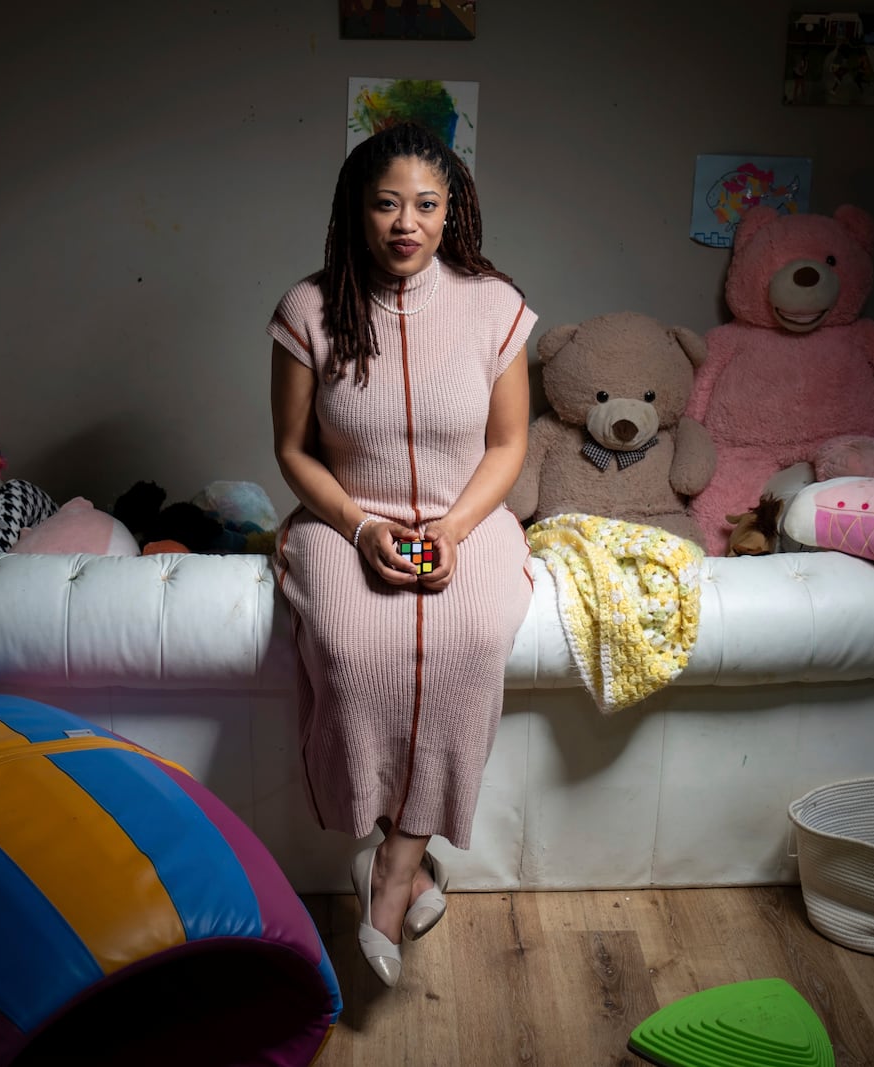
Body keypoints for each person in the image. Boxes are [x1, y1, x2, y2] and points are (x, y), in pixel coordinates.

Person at [267, 121, 537, 987]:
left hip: (469, 516)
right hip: (346, 513)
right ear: (357, 208)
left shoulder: (495, 307)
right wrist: (357, 526)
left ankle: (392, 870)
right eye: (386, 203)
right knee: (351, 647)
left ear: (451, 210)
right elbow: (293, 450)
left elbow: (508, 444)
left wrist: (454, 530)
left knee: (473, 636)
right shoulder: (308, 310)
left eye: (426, 203)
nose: (406, 223)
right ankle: (401, 859)